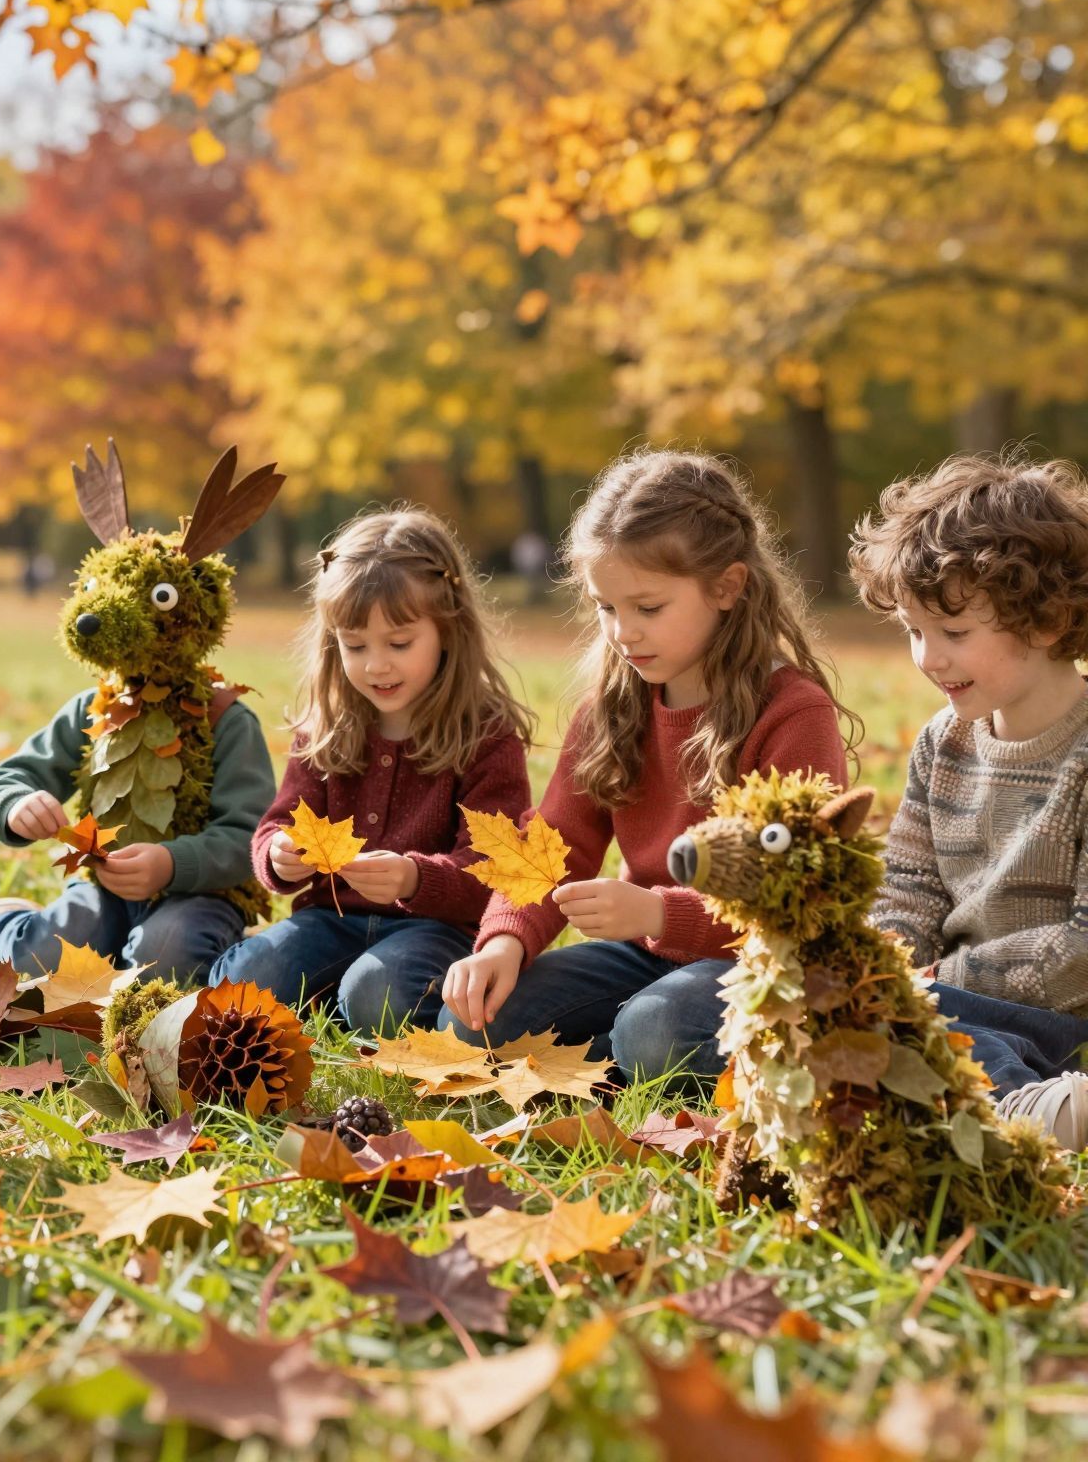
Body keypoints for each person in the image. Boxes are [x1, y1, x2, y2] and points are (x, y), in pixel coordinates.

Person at [441, 449, 854, 1072]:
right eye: (606, 608)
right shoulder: (613, 706)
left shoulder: (792, 713)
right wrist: (505, 939)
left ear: (727, 587)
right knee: (472, 1022)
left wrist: (662, 912)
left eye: (648, 608)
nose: (622, 632)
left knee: (653, 1029)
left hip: (763, 966)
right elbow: (553, 844)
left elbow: (801, 893)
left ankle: (629, 1055)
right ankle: (618, 1053)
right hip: (647, 955)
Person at [209, 507, 531, 1032]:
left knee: (379, 991)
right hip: (328, 919)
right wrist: (279, 856)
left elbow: (495, 871)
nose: (376, 664)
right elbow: (279, 823)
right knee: (248, 980)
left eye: (399, 644)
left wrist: (414, 877)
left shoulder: (484, 733)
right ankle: (318, 990)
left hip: (433, 929)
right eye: (355, 646)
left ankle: (342, 998)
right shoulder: (328, 725)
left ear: (447, 631)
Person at [850, 452, 1088, 1145]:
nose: (928, 658)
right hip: (932, 997)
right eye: (915, 632)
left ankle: (1022, 1109)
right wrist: (878, 965)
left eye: (954, 634)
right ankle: (926, 1090)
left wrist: (930, 982)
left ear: (1045, 622)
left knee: (890, 1024)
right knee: (687, 1010)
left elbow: (1081, 950)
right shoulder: (941, 743)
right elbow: (910, 888)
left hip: (1055, 1018)